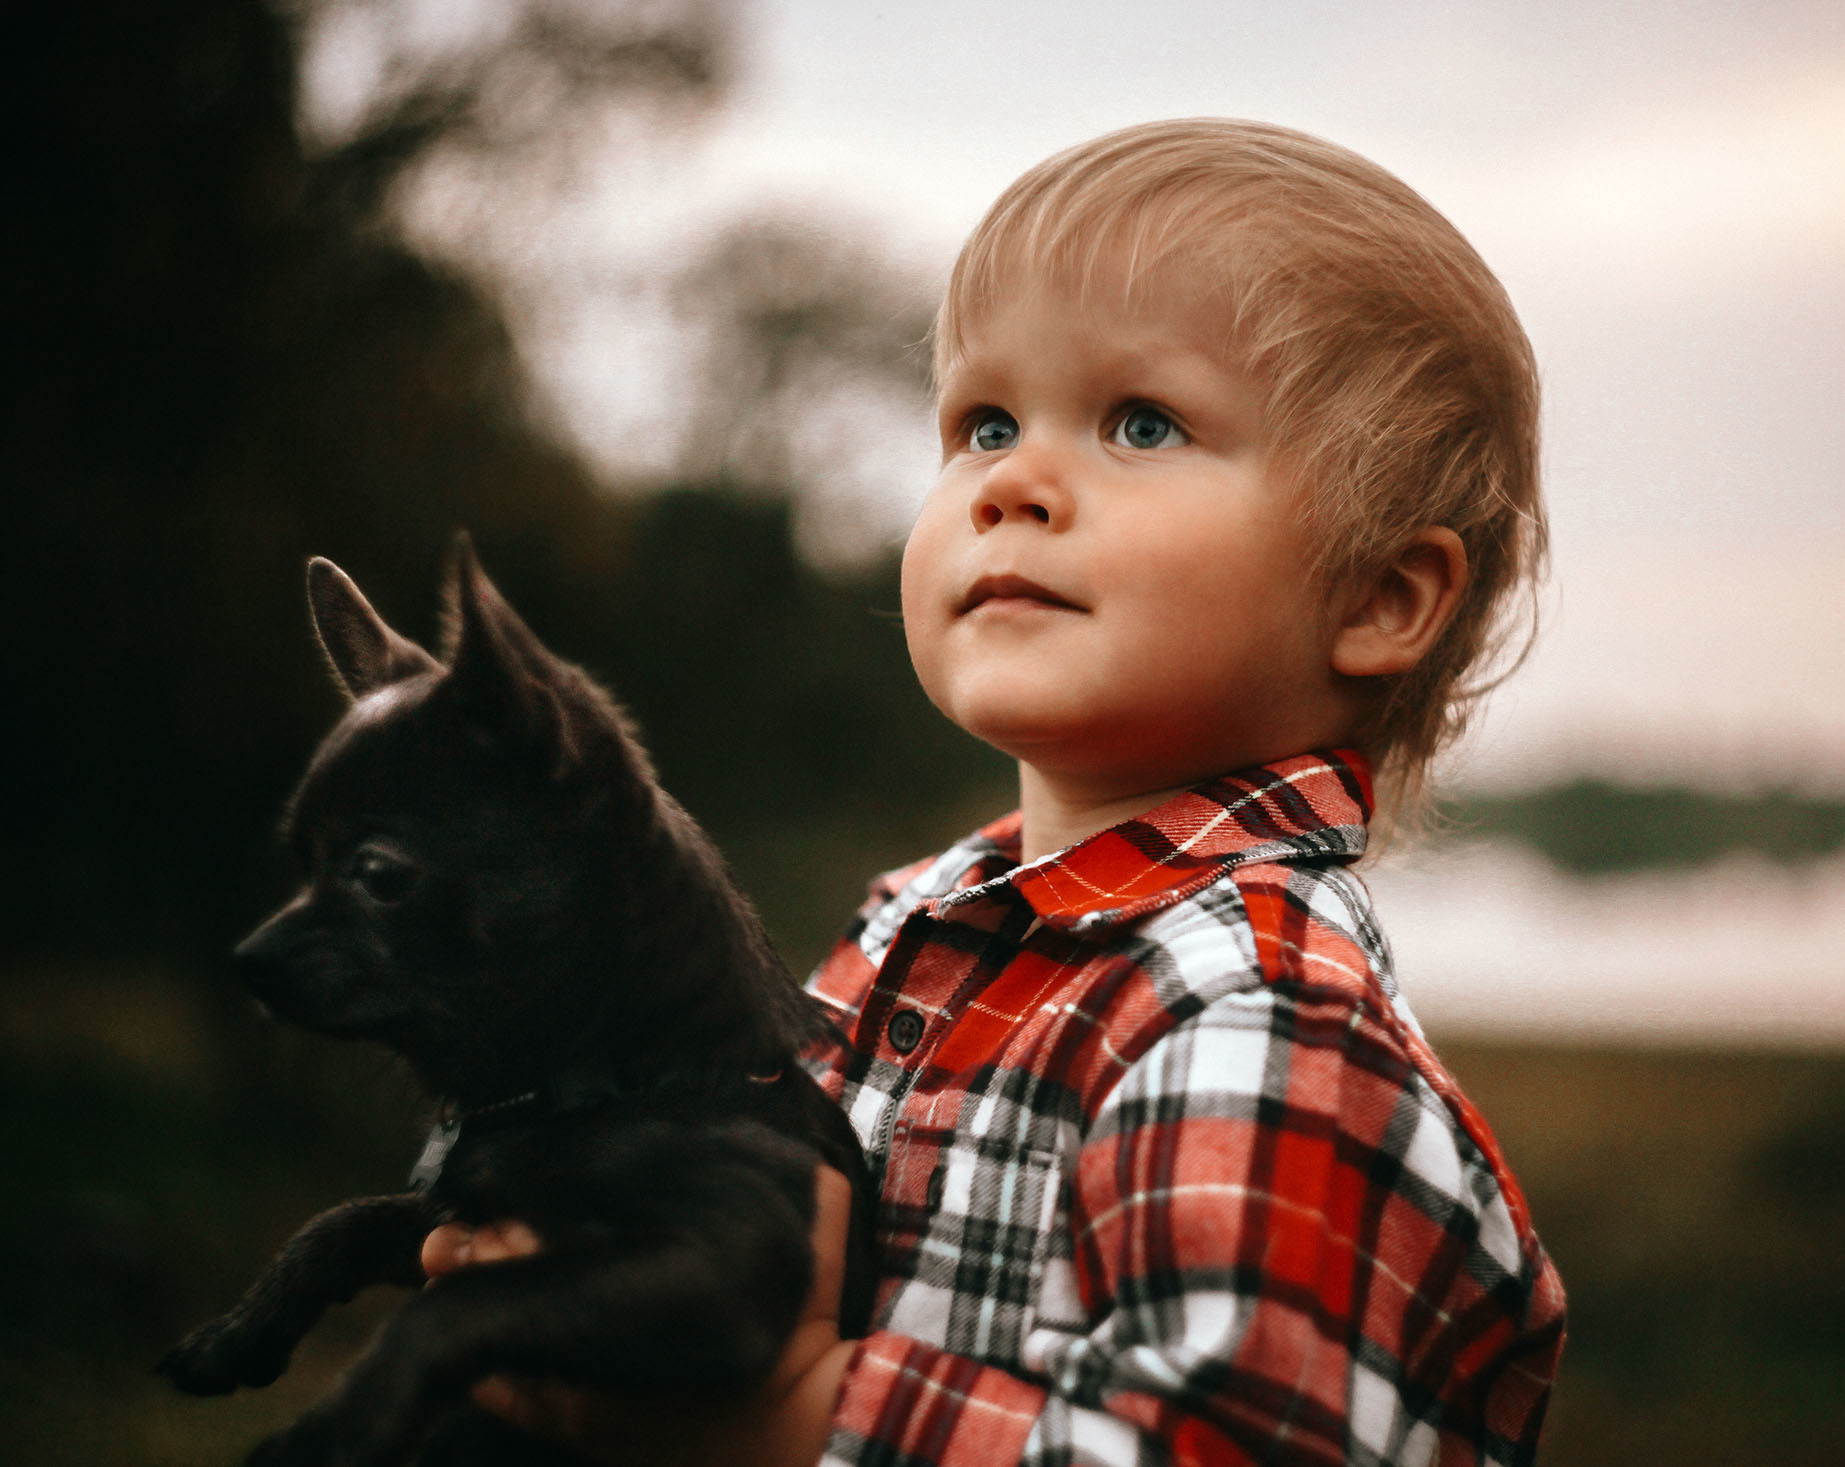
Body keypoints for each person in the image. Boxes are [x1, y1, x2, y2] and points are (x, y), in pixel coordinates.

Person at [427, 116, 1566, 1466]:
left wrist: (779, 1415)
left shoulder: (1261, 1021)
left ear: (1382, 595)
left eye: (1142, 424)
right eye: (982, 423)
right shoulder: (912, 930)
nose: (1012, 483)